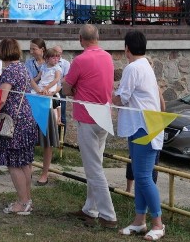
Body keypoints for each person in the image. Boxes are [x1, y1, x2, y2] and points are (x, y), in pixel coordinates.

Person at [63, 24, 118, 229]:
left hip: (87, 117)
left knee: (93, 168)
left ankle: (108, 215)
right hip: (103, 116)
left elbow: (66, 88)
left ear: (80, 39)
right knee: (96, 163)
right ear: (97, 37)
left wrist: (75, 88)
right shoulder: (107, 57)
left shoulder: (80, 60)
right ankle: (90, 209)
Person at [114, 30, 166, 240]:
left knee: (143, 177)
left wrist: (108, 95)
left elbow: (122, 98)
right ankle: (139, 221)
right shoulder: (145, 65)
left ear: (127, 49)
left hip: (144, 127)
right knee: (140, 175)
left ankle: (158, 224)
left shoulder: (133, 67)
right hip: (141, 126)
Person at [0, 37, 37, 215]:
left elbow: (2, 98)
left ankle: (22, 202)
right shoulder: (23, 68)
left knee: (14, 163)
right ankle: (27, 200)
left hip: (14, 122)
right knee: (25, 162)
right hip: (27, 118)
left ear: (3, 51)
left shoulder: (9, 72)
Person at [31, 46, 62, 186]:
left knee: (47, 139)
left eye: (58, 57)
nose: (56, 59)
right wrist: (34, 84)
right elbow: (36, 78)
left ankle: (45, 172)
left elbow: (57, 82)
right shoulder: (43, 67)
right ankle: (28, 167)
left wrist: (47, 89)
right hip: (38, 95)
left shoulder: (58, 68)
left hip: (47, 98)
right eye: (54, 57)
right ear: (48, 58)